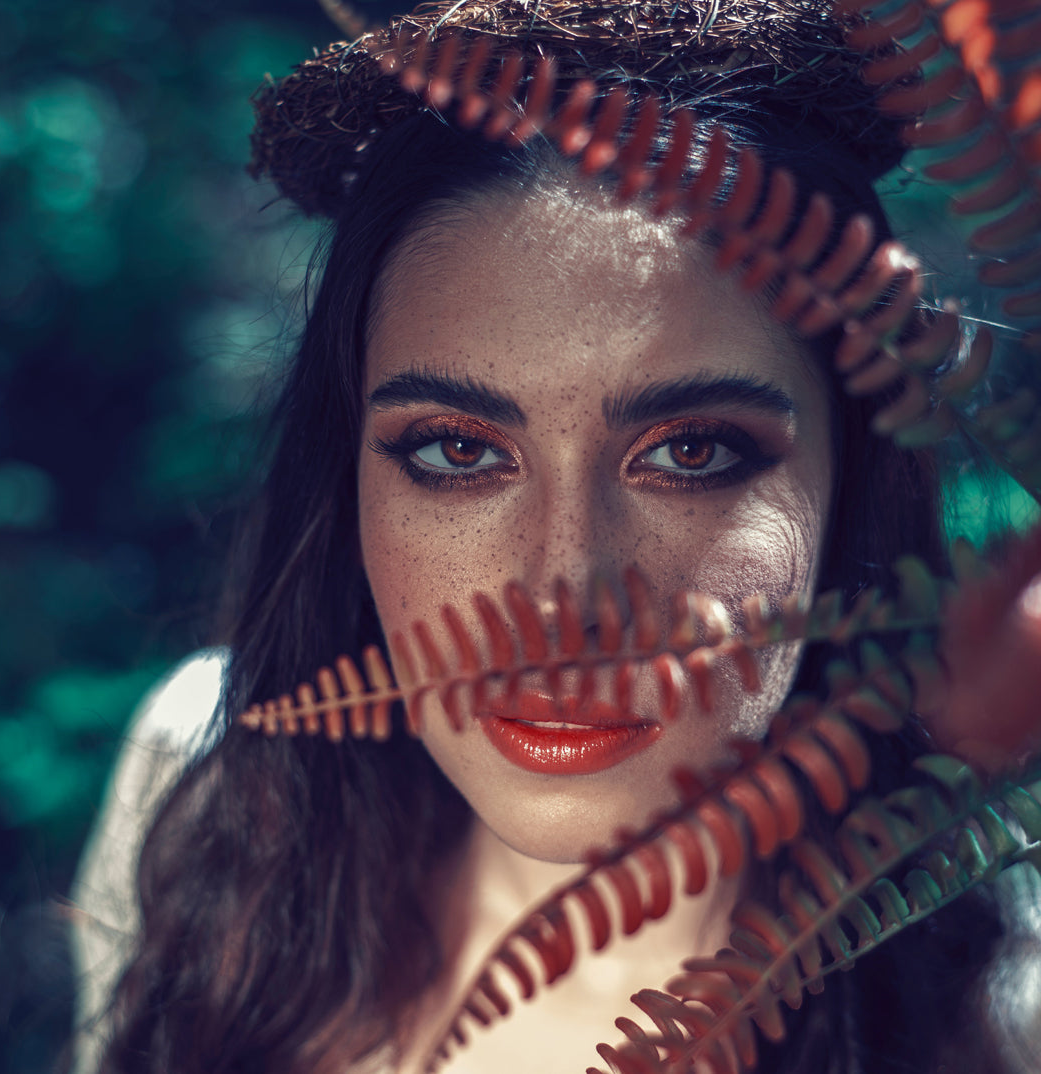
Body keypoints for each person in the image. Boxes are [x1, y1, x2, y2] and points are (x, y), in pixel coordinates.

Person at [71, 2, 1041, 1072]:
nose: (563, 600)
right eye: (455, 453)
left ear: (849, 479)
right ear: (345, 474)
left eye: (693, 454)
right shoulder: (205, 798)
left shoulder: (1000, 1010)